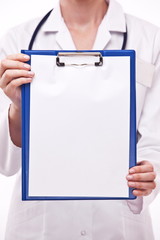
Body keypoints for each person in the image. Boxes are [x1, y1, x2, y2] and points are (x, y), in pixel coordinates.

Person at [0, 0, 160, 239]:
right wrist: (18, 107)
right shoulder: (18, 40)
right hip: (40, 227)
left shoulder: (149, 39)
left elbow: (155, 141)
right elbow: (7, 163)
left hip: (117, 225)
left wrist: (147, 173)